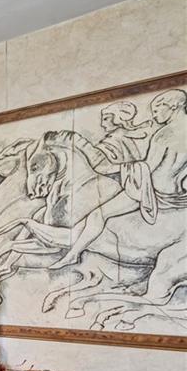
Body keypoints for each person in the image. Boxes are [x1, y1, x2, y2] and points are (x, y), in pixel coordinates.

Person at [52, 89, 187, 269]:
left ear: (173, 106)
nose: (154, 116)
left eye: (156, 110)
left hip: (154, 191)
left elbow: (148, 167)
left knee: (97, 214)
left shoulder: (163, 135)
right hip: (178, 195)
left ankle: (73, 254)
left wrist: (116, 169)